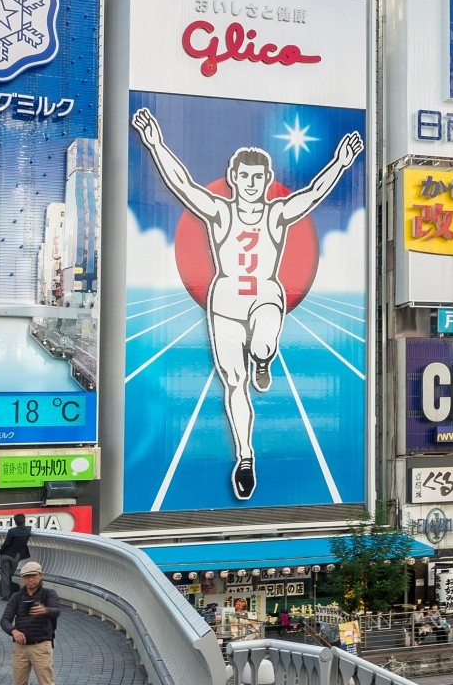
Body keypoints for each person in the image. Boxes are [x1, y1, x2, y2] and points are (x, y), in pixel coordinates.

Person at [131, 107, 362, 500]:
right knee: (234, 384)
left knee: (262, 342)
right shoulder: (220, 213)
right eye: (245, 176)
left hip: (265, 297)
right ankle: (245, 455)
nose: (252, 183)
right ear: (234, 179)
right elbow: (183, 184)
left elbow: (311, 195)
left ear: (267, 180)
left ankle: (263, 357)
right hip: (223, 303)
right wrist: (155, 144)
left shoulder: (275, 214)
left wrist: (339, 165)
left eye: (259, 177)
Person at [0, 560, 60, 685]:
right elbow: (4, 620)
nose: (30, 580)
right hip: (20, 648)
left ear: (40, 576)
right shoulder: (16, 597)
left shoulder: (48, 594)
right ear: (23, 578)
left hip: (41, 646)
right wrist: (13, 630)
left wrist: (45, 610)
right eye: (26, 577)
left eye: (33, 576)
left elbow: (57, 611)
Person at [0, 513, 32, 600]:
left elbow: (6, 544)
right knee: (9, 575)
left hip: (6, 555)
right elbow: (28, 528)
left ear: (15, 522)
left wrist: (1, 550)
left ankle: (5, 595)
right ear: (24, 521)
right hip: (16, 557)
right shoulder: (28, 530)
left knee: (5, 575)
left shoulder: (11, 531)